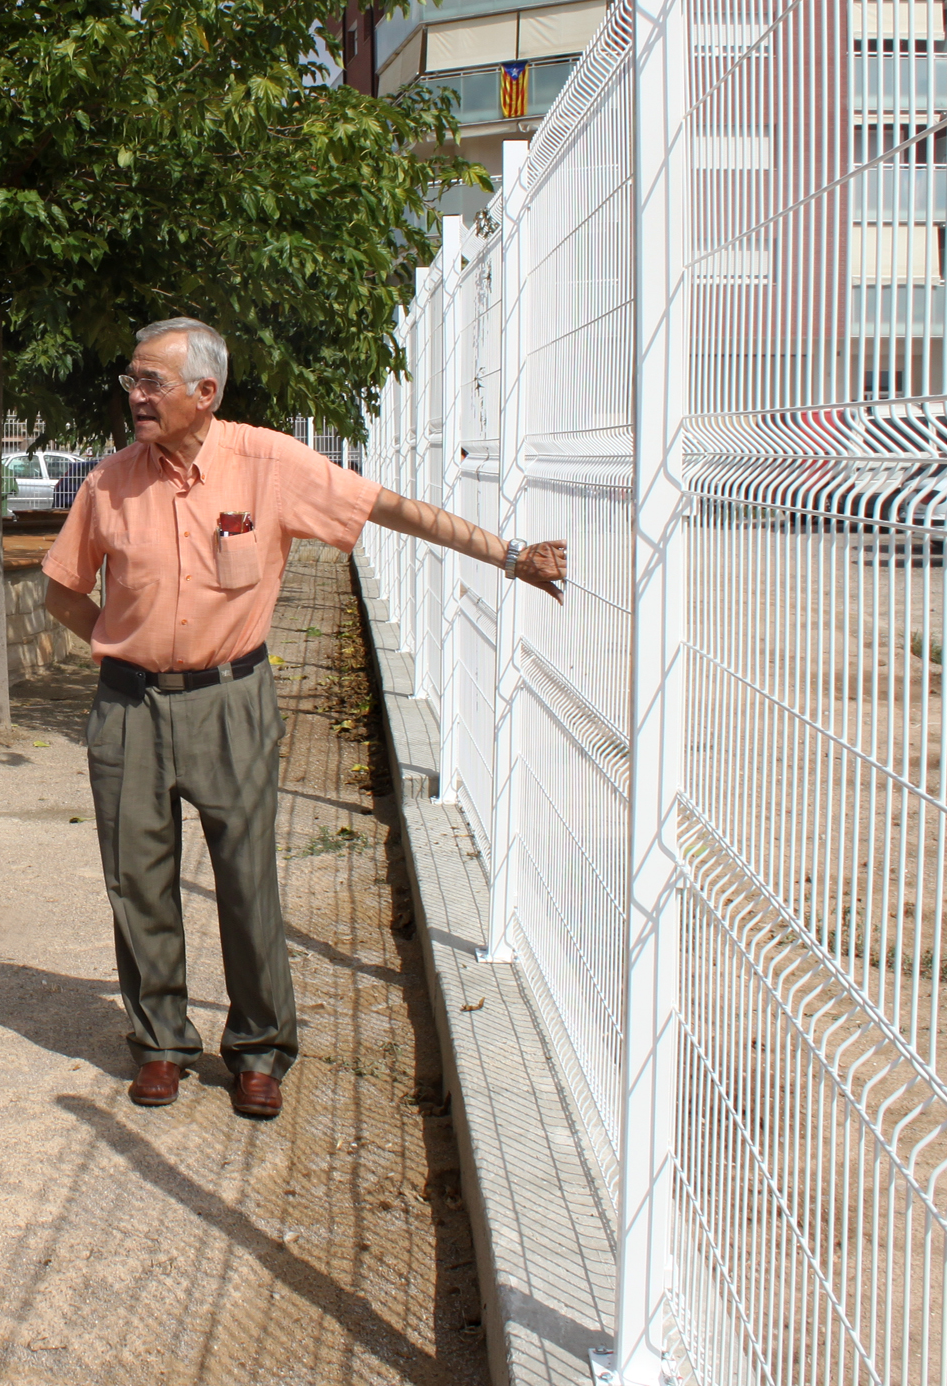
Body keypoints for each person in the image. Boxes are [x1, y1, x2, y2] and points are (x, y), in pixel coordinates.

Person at [42, 318, 566, 1121]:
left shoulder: (269, 463)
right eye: (133, 381)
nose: (136, 396)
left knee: (247, 882)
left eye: (153, 382)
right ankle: (158, 1042)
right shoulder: (109, 481)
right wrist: (120, 648)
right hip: (129, 710)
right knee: (137, 882)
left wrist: (508, 554)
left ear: (204, 393)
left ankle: (259, 1049)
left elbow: (390, 509)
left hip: (232, 703)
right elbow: (63, 590)